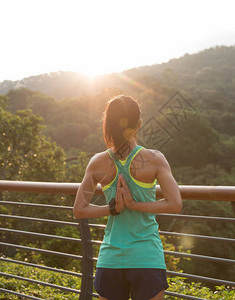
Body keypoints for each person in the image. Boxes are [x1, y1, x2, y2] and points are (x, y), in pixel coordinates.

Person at [73, 95, 182, 300]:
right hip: (147, 258)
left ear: (108, 125)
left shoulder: (97, 162)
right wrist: (135, 204)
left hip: (111, 259)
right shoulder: (154, 159)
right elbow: (175, 204)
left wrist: (113, 208)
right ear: (139, 124)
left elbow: (79, 209)